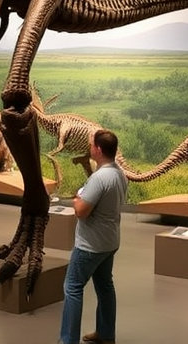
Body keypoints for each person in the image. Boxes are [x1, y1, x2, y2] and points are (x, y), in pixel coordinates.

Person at [58, 129, 128, 344]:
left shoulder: (99, 178)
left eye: (91, 145)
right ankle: (106, 334)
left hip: (90, 245)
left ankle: (68, 340)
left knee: (72, 287)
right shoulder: (119, 174)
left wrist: (77, 198)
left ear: (98, 149)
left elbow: (81, 211)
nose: (89, 148)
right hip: (109, 242)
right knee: (105, 285)